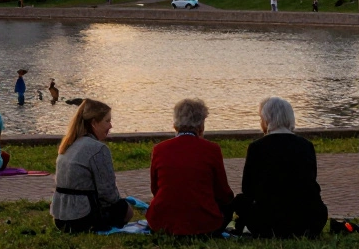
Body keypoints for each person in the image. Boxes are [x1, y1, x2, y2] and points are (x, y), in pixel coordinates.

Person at [233, 97, 328, 238]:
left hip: (266, 221)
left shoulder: (257, 147)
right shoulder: (306, 145)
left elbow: (248, 189)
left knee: (240, 201)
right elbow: (310, 181)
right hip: (304, 220)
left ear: (265, 120)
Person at [146, 98, 234, 236]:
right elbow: (223, 192)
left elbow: (155, 189)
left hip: (162, 223)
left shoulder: (159, 149)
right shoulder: (212, 149)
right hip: (205, 224)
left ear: (175, 124)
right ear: (201, 126)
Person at [52, 99, 135, 233]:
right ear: (94, 123)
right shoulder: (98, 149)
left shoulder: (68, 145)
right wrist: (122, 204)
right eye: (107, 121)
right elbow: (108, 194)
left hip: (60, 218)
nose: (111, 126)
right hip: (84, 217)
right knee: (126, 210)